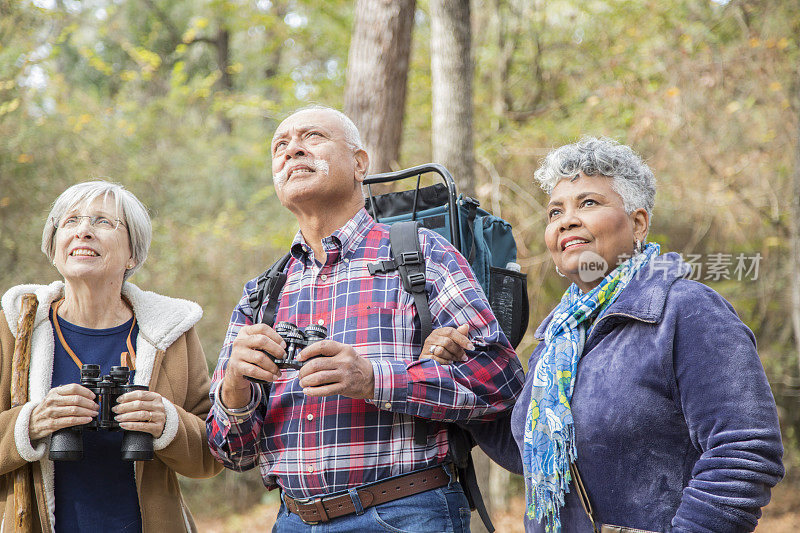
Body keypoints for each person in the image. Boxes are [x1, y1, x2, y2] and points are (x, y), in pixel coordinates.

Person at [424, 137, 784, 532]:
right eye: (555, 211)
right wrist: (461, 371)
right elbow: (528, 450)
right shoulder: (558, 338)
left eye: (589, 203)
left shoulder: (686, 311)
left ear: (638, 223)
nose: (566, 220)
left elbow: (744, 451)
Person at [206, 105, 524, 532]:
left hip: (409, 513)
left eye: (312, 136)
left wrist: (373, 379)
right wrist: (234, 392)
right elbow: (232, 453)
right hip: (293, 520)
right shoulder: (263, 292)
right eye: (280, 145)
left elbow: (501, 381)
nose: (293, 149)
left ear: (359, 164)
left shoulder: (422, 254)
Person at [0, 181, 222, 532]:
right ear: (54, 248)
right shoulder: (17, 328)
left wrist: (167, 423)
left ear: (133, 254)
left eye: (103, 222)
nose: (83, 231)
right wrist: (31, 424)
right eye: (70, 222)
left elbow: (213, 454)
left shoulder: (169, 330)